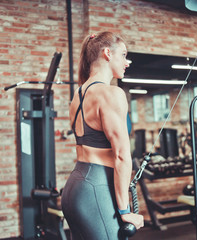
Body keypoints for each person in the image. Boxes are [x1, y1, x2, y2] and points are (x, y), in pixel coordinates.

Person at [61, 31, 144, 240]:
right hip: (96, 188)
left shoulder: (78, 96)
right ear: (107, 53)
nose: (127, 62)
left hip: (75, 187)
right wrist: (125, 211)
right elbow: (122, 156)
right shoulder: (111, 94)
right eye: (123, 55)